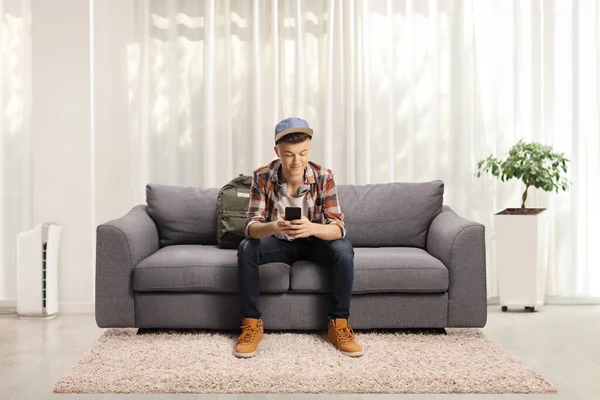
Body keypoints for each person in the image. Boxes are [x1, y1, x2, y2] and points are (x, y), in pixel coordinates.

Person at [233, 117, 363, 358]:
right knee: (246, 248)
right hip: (278, 242)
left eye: (303, 153)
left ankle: (339, 325)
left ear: (309, 148)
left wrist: (312, 228)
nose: (297, 161)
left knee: (344, 249)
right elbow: (250, 227)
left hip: (313, 242)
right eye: (289, 154)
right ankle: (251, 325)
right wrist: (274, 226)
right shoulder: (262, 176)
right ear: (277, 152)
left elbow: (337, 227)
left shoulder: (324, 176)